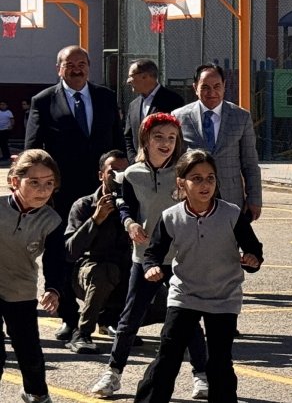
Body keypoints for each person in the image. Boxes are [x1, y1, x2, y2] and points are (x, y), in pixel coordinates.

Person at [91, 113, 210, 400]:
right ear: (146, 139)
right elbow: (125, 208)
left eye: (172, 137)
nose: (166, 143)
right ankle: (113, 372)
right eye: (159, 137)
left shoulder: (185, 172)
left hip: (181, 258)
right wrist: (130, 224)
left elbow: (203, 202)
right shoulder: (132, 174)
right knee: (130, 316)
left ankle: (202, 376)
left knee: (189, 318)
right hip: (146, 257)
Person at [133, 149, 263, 403]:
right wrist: (152, 267)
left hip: (223, 296)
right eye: (197, 178)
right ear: (182, 182)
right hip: (186, 294)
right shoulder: (171, 217)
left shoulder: (231, 214)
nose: (205, 185)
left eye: (210, 178)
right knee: (168, 355)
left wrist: (251, 260)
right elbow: (153, 252)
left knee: (219, 361)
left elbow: (254, 249)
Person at [25, 45, 123, 343]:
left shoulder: (105, 98)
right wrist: (39, 189)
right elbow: (33, 149)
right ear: (59, 68)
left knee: (110, 252)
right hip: (60, 195)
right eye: (70, 64)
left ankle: (108, 317)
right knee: (61, 253)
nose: (77, 68)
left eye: (82, 63)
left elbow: (117, 144)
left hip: (101, 192)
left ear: (89, 67)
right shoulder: (43, 101)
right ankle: (69, 317)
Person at [0, 150, 67, 403]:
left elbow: (55, 260)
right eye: (34, 182)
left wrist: (53, 289)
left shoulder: (51, 221)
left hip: (21, 290)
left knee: (29, 351)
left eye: (49, 183)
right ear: (15, 182)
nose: (42, 190)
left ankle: (37, 394)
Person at [173, 63, 263, 220]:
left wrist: (254, 198)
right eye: (205, 87)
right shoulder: (179, 117)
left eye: (217, 86)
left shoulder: (241, 117)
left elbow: (250, 162)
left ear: (224, 86)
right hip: (192, 198)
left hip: (231, 197)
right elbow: (175, 162)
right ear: (195, 87)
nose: (212, 92)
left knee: (229, 243)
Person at [64, 150, 130, 355]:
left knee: (162, 300)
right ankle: (81, 333)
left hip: (124, 271)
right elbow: (70, 251)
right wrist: (95, 220)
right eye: (113, 171)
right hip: (89, 272)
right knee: (104, 272)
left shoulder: (133, 203)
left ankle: (117, 323)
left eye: (125, 171)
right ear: (101, 174)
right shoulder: (84, 205)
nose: (119, 176)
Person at [123, 59, 185, 158]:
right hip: (138, 167)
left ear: (145, 76)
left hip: (166, 167)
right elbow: (128, 137)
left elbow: (179, 136)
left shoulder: (173, 101)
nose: (128, 81)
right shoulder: (133, 105)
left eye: (131, 76)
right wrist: (134, 161)